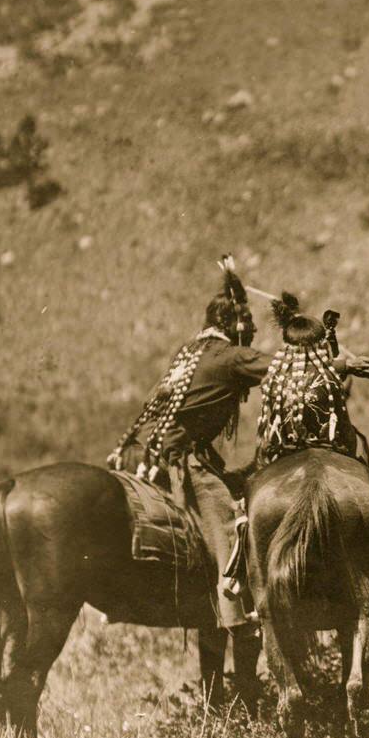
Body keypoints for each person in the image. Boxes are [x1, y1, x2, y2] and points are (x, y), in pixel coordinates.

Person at [108, 256, 272, 633]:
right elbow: (283, 365)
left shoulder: (188, 353)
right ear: (232, 325)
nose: (250, 333)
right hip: (176, 458)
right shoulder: (229, 357)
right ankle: (233, 614)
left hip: (137, 452)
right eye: (246, 327)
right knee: (227, 523)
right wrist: (328, 357)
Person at [255, 293, 369, 582]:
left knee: (244, 514)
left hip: (280, 458)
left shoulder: (274, 380)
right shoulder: (327, 379)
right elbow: (343, 430)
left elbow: (266, 432)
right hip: (330, 451)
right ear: (318, 345)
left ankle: (239, 571)